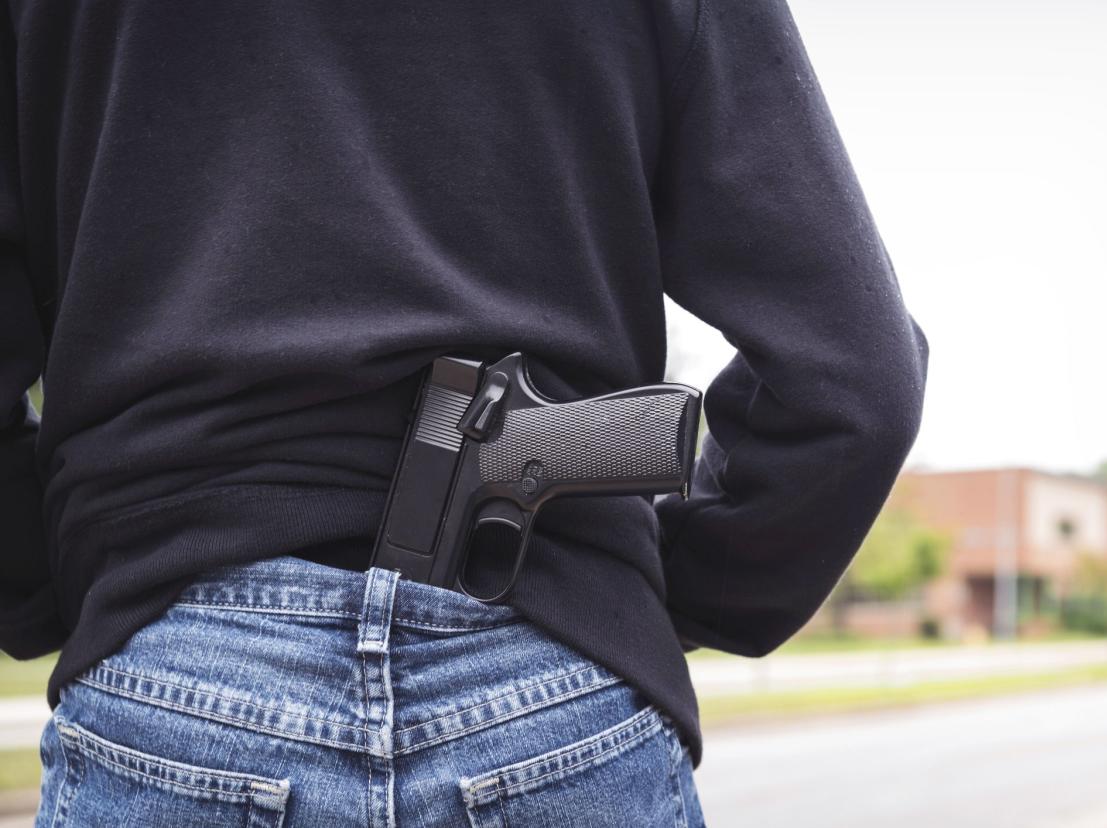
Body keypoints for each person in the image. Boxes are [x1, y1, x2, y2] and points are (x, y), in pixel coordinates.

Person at [1, 0, 929, 824]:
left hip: (171, 681)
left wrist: (51, 588)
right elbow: (857, 378)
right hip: (556, 680)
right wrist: (631, 595)